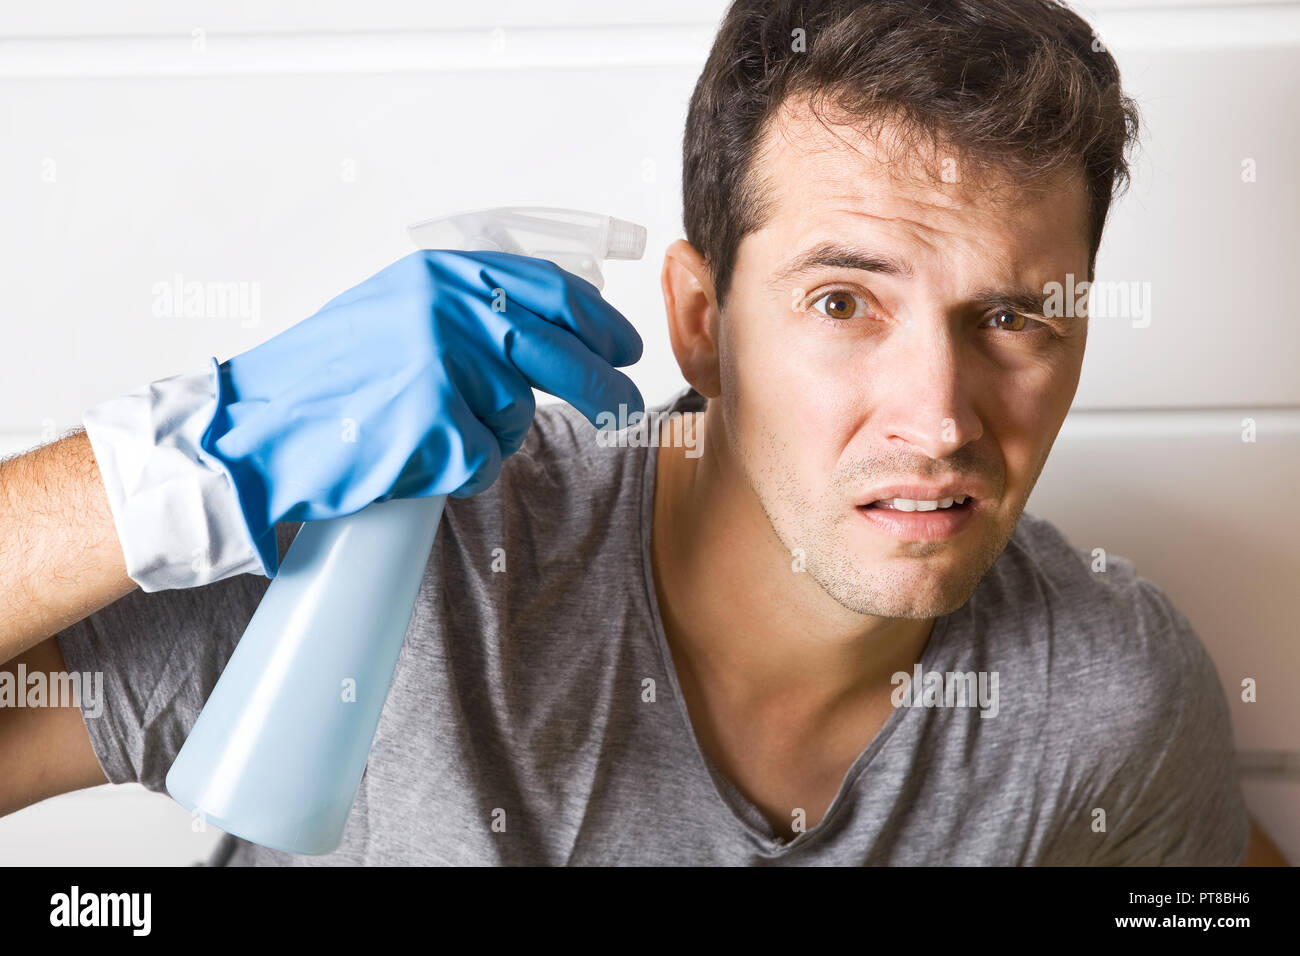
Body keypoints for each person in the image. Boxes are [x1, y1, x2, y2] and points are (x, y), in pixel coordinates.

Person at [0, 0, 1287, 865]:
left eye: (1011, 316)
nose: (938, 416)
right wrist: (201, 454)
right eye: (842, 301)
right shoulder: (400, 549)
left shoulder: (1100, 692)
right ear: (698, 320)